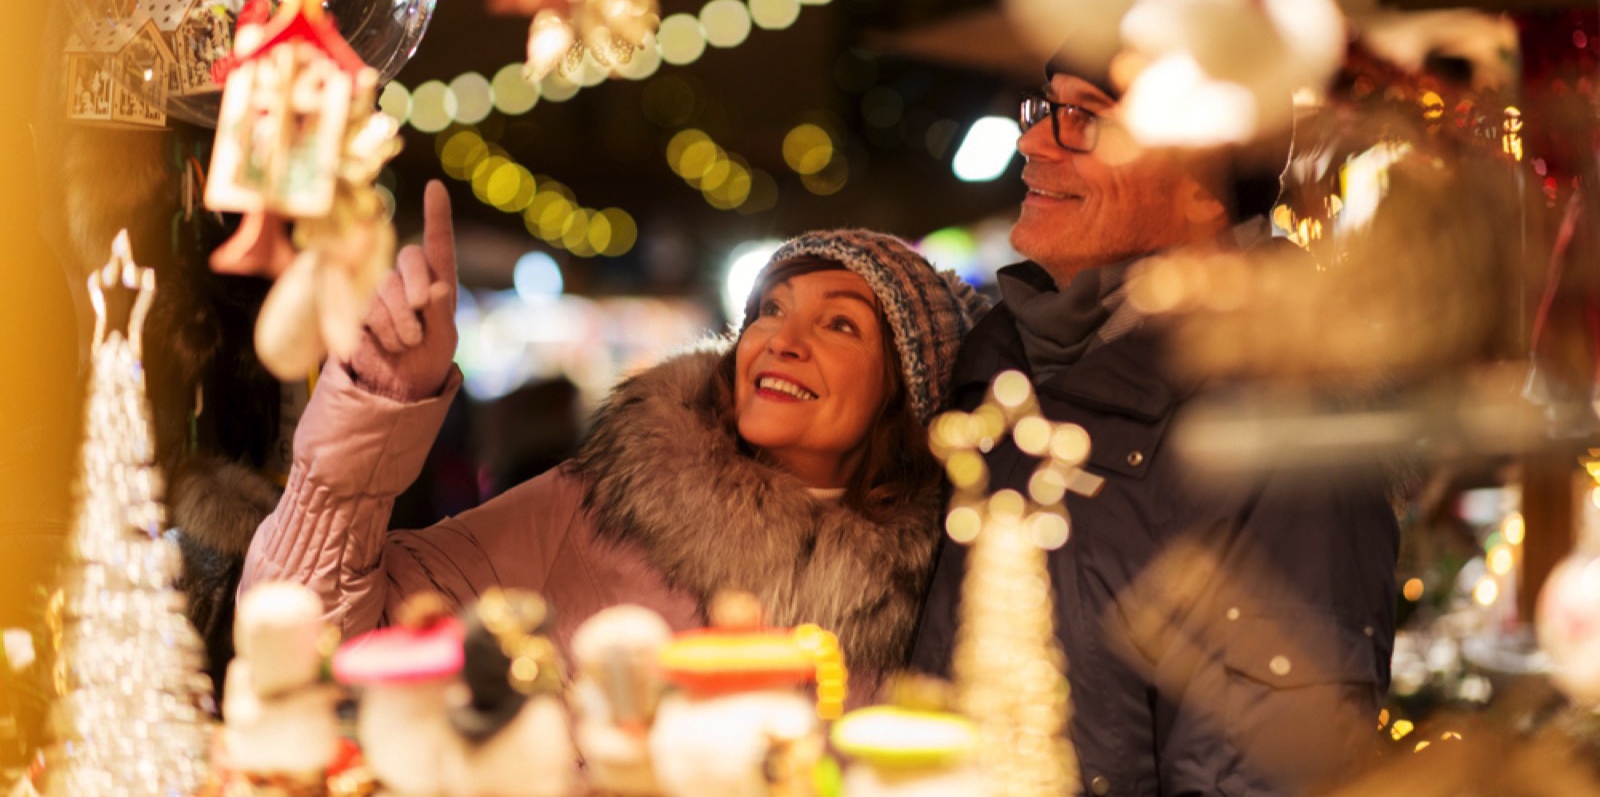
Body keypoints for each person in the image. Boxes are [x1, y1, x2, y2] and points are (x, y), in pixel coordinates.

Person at [241, 180, 988, 690]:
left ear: (906, 392)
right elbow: (308, 636)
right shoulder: (601, 506)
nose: (780, 340)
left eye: (840, 324)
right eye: (771, 309)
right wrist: (379, 400)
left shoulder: (938, 596)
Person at [909, 53, 1400, 796]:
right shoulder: (995, 366)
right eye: (1046, 107)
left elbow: (1263, 772)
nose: (1034, 142)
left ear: (1207, 180)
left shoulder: (1279, 415)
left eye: (1088, 119)